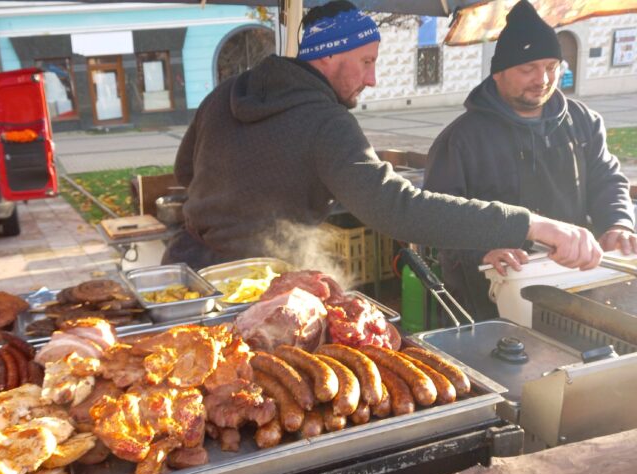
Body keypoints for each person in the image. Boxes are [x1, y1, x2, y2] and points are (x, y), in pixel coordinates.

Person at [163, 0, 603, 283]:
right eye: (367, 62)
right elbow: (399, 210)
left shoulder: (227, 92)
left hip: (184, 271)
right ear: (329, 55)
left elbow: (187, 171)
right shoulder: (327, 122)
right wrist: (532, 224)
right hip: (257, 283)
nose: (372, 79)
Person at [425, 0, 635, 320]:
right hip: (486, 294)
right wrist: (481, 252)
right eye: (528, 69)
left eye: (551, 66)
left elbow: (606, 178)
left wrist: (617, 222)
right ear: (498, 73)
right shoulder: (460, 140)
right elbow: (437, 218)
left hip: (568, 283)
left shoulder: (583, 121)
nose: (543, 79)